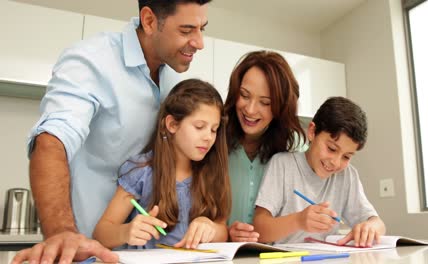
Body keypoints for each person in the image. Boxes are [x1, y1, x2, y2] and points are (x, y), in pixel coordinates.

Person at [12, 0, 211, 263]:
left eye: (202, 29)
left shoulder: (175, 80)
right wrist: (62, 233)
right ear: (150, 21)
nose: (199, 42)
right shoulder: (92, 60)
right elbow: (51, 141)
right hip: (85, 254)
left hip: (143, 256)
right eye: (186, 31)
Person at [93, 79, 231, 249]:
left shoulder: (211, 173)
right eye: (199, 126)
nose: (208, 137)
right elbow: (101, 233)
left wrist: (210, 227)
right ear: (172, 125)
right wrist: (126, 232)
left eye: (214, 129)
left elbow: (223, 231)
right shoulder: (141, 171)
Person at [253, 96, 386, 247]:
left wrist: (371, 227)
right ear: (312, 131)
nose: (335, 162)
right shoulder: (282, 164)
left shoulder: (347, 175)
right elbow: (259, 229)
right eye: (331, 148)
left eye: (347, 156)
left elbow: (377, 223)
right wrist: (298, 221)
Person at [223, 50, 306, 242]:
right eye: (244, 95)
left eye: (265, 102)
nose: (250, 110)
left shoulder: (294, 148)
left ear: (280, 107)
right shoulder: (213, 138)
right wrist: (224, 232)